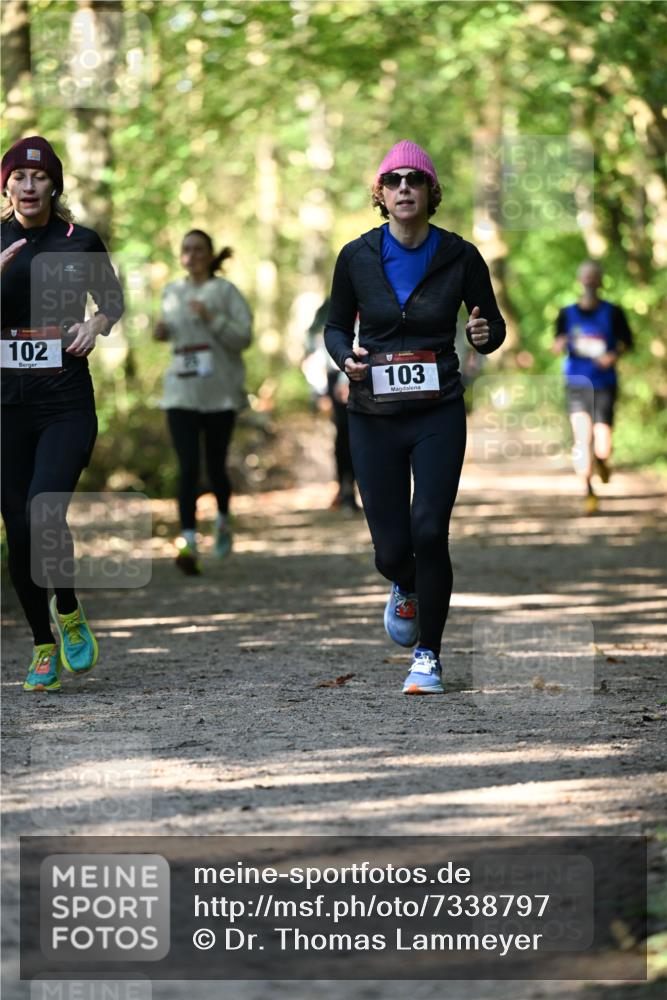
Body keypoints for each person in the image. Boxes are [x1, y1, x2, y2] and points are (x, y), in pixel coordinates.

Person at [324, 140, 506, 695]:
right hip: (373, 415)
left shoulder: (460, 255)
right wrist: (345, 357)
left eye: (416, 179)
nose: (405, 187)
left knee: (430, 530)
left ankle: (428, 655)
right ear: (381, 194)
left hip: (437, 412)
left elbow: (492, 325)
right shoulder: (356, 256)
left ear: (430, 193)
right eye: (394, 180)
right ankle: (406, 584)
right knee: (390, 551)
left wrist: (483, 335)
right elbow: (334, 326)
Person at [1, 135, 124, 692]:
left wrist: (95, 326)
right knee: (20, 530)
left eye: (40, 177)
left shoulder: (80, 241)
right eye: (19, 178)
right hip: (5, 406)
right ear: (6, 186)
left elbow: (113, 302)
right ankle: (43, 644)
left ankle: (68, 607)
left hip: (64, 403)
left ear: (55, 185)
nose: (29, 186)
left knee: (43, 512)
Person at [154, 230, 252, 575]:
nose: (192, 255)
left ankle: (223, 519)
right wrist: (161, 332)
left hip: (219, 395)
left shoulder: (225, 292)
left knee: (215, 466)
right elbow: (168, 334)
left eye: (198, 250)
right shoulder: (172, 291)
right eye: (186, 249)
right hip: (180, 394)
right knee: (187, 469)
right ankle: (188, 540)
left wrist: (213, 318)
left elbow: (244, 338)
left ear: (210, 255)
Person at [552, 260, 633, 514]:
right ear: (579, 281)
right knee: (581, 437)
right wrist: (561, 342)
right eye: (584, 277)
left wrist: (612, 355)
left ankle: (602, 461)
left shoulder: (613, 312)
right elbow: (555, 345)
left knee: (602, 443)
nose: (588, 281)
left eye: (593, 277)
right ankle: (588, 491)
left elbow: (627, 343)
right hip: (577, 382)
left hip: (604, 383)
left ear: (600, 281)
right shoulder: (566, 314)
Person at [303, 298, 359, 513]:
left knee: (363, 434)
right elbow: (313, 341)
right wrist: (318, 389)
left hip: (369, 370)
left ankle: (361, 487)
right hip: (336, 375)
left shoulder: (377, 290)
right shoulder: (330, 305)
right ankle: (345, 488)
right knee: (344, 434)